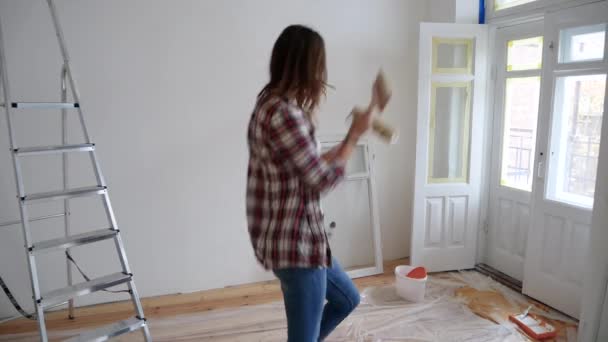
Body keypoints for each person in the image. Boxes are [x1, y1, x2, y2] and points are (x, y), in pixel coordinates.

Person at [246, 24, 373, 342]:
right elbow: (319, 181)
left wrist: (342, 144)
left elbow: (299, 166)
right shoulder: (286, 115)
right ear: (308, 67)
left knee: (347, 299)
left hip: (301, 245)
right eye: (319, 65)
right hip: (298, 249)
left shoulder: (266, 105)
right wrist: (355, 136)